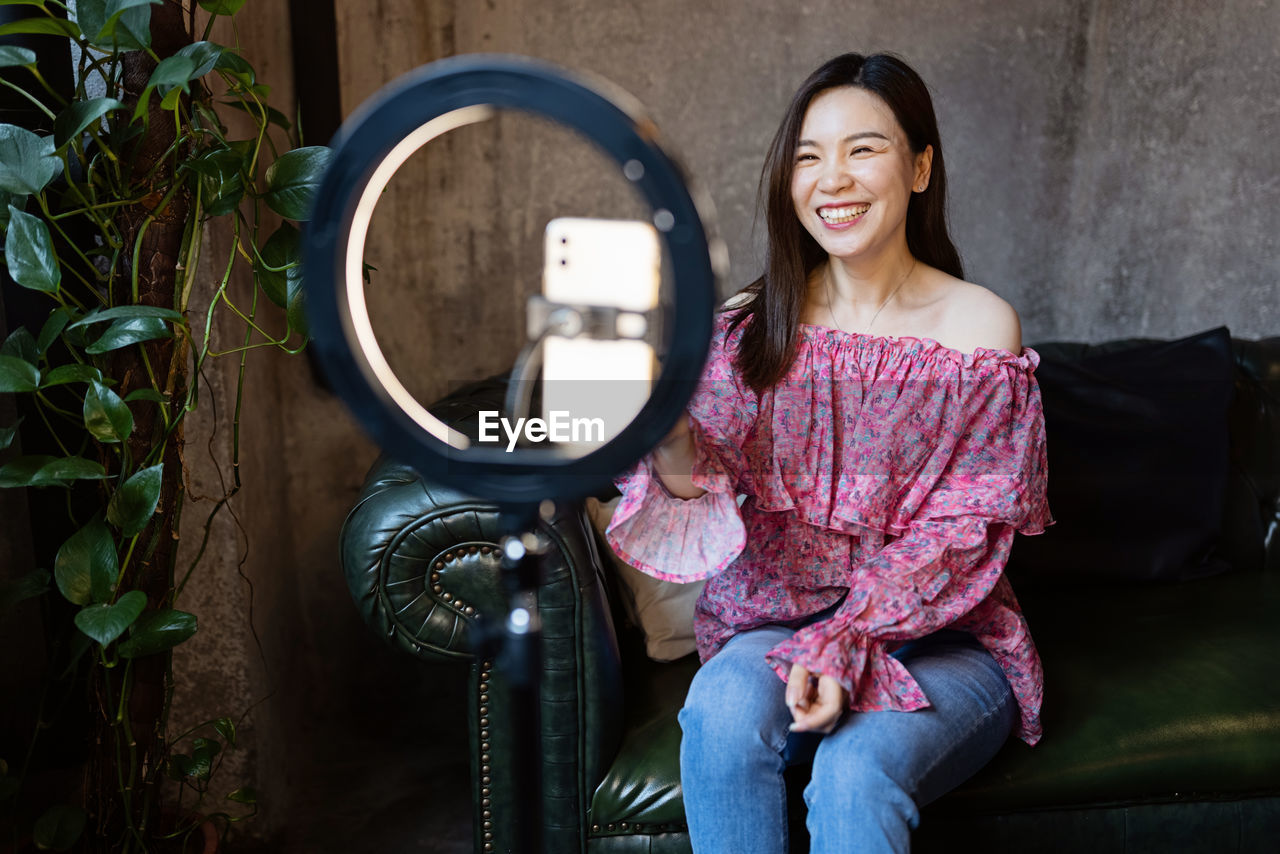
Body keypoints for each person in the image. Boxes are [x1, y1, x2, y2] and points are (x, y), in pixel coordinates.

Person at [605, 51, 1055, 854]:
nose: (832, 179)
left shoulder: (978, 328)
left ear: (919, 167)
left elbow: (961, 535)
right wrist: (665, 429)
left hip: (942, 639)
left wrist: (846, 640)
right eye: (809, 157)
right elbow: (694, 487)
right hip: (769, 629)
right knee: (718, 713)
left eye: (863, 150)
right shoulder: (748, 325)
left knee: (854, 773)